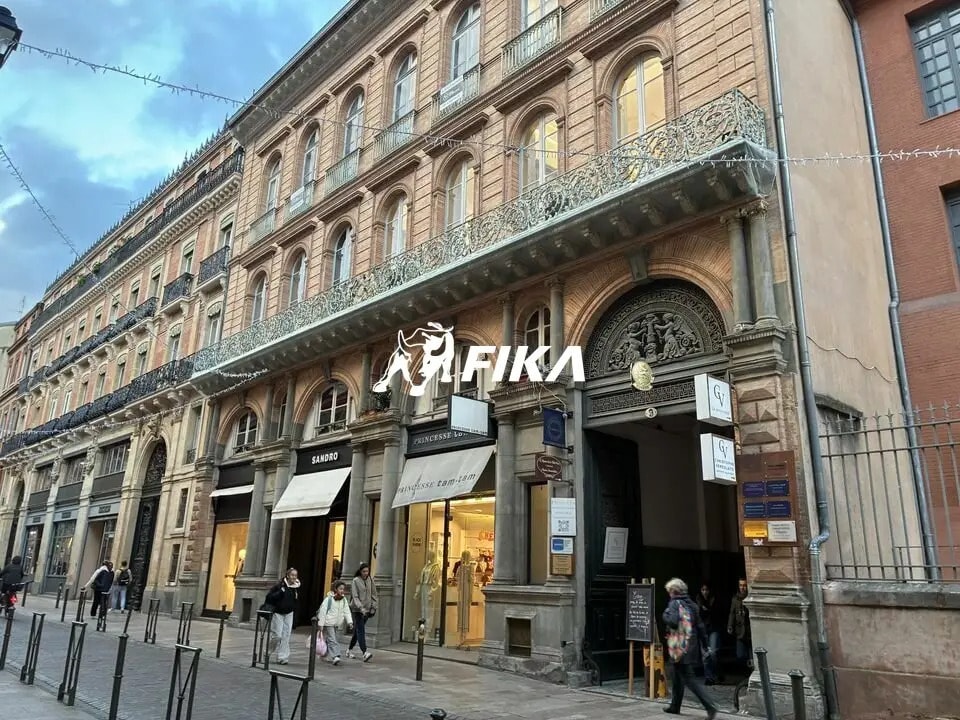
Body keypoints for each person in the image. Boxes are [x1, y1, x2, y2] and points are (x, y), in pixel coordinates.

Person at [662, 577, 718, 719]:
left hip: (679, 646)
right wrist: (705, 645)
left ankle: (710, 706)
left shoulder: (674, 603)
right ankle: (675, 705)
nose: (669, 594)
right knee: (677, 675)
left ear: (673, 591)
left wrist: (665, 615)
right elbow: (700, 627)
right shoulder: (692, 605)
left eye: (669, 591)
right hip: (690, 645)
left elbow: (673, 622)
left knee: (689, 678)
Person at [265, 567, 300, 665]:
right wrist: (280, 592)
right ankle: (267, 652)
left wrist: (296, 616)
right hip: (278, 613)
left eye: (295, 575)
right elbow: (269, 597)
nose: (294, 577)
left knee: (286, 636)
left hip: (289, 613)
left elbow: (296, 602)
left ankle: (282, 657)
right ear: (288, 575)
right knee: (277, 636)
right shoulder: (280, 585)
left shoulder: (296, 588)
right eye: (292, 575)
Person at [314, 580, 353, 666]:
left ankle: (323, 654)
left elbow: (347, 611)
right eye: (340, 589)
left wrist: (350, 622)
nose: (342, 590)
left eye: (343, 589)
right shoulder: (328, 599)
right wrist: (320, 624)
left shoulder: (344, 600)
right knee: (332, 639)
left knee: (330, 639)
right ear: (335, 589)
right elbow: (323, 612)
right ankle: (336, 656)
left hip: (337, 624)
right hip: (329, 623)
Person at [348, 563, 377, 662]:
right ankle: (365, 652)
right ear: (360, 571)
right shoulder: (355, 581)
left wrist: (373, 607)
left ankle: (349, 650)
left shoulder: (370, 580)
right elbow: (355, 596)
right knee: (361, 630)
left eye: (367, 571)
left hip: (367, 610)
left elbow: (374, 594)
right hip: (357, 610)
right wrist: (361, 608)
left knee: (357, 630)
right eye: (364, 571)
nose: (366, 573)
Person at [697, 582, 721, 685]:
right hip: (703, 630)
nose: (705, 592)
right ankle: (709, 677)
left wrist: (708, 610)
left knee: (713, 653)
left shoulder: (714, 600)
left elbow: (718, 613)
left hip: (713, 628)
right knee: (705, 655)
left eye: (706, 590)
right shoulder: (698, 601)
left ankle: (718, 672)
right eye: (703, 590)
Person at [728, 578, 753, 670]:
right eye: (741, 585)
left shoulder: (750, 597)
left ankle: (751, 673)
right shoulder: (735, 599)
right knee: (740, 655)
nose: (742, 588)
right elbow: (732, 613)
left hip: (749, 631)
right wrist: (730, 626)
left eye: (744, 585)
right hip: (739, 631)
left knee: (752, 656)